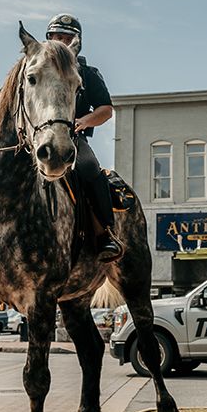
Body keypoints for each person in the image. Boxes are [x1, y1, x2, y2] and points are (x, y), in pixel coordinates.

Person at [44, 13, 122, 262]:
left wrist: (84, 121)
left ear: (76, 43)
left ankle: (104, 234)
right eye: (57, 37)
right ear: (49, 39)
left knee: (91, 170)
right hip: (34, 138)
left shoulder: (88, 73)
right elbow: (4, 92)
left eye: (67, 38)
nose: (62, 41)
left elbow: (106, 109)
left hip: (71, 138)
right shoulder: (32, 67)